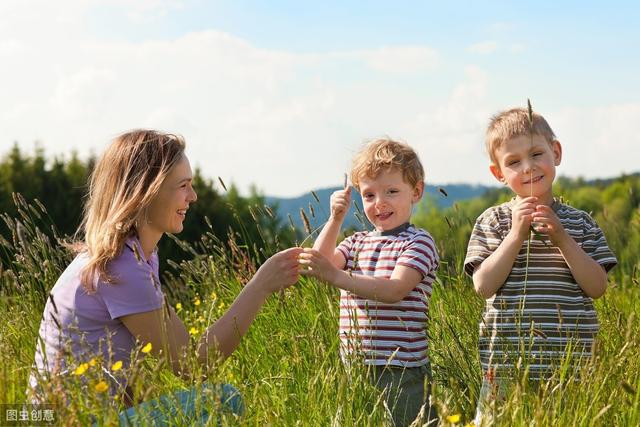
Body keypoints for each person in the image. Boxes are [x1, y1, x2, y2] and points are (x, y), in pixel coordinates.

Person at [28, 129, 302, 425]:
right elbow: (195, 364)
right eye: (183, 185)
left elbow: (136, 373)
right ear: (147, 190)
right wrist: (260, 286)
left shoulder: (131, 256)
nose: (193, 197)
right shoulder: (122, 267)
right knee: (225, 399)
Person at [464, 108, 618, 424]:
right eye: (514, 162)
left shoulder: (581, 223)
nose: (528, 167)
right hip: (506, 364)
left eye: (537, 154)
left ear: (556, 153)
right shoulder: (493, 221)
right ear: (498, 174)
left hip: (571, 364)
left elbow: (597, 287)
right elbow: (483, 286)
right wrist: (516, 235)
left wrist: (562, 238)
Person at [298, 138, 439, 426]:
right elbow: (320, 262)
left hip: (403, 368)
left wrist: (336, 277)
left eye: (392, 191)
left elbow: (395, 289)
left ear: (416, 191)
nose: (380, 202)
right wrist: (336, 219)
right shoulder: (356, 241)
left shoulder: (418, 242)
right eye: (369, 195)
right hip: (355, 365)